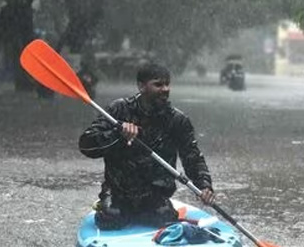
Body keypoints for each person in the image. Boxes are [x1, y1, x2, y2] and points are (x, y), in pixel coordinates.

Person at [79, 63, 215, 229]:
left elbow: (193, 157)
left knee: (164, 218)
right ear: (141, 86)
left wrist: (204, 186)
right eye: (158, 84)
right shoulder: (118, 110)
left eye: (167, 84)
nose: (165, 89)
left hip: (155, 195)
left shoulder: (178, 120)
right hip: (119, 193)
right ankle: (107, 206)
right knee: (111, 218)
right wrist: (118, 133)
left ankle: (154, 212)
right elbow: (86, 145)